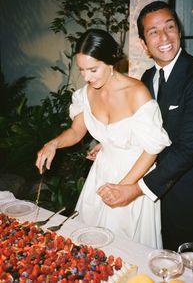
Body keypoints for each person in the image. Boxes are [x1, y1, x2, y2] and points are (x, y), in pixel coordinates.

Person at [97, 1, 193, 267]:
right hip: (158, 202)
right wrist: (110, 144)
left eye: (170, 27)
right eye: (154, 31)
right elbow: (142, 128)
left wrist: (135, 189)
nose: (164, 37)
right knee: (161, 265)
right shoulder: (147, 78)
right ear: (144, 43)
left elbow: (187, 148)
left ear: (179, 31)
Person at [35, 28, 171, 248]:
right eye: (82, 70)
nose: (87, 77)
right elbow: (77, 131)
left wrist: (124, 188)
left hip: (133, 176)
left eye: (93, 69)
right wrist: (53, 143)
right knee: (89, 244)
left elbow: (152, 149)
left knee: (123, 249)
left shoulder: (137, 93)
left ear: (111, 62)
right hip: (101, 173)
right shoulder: (85, 94)